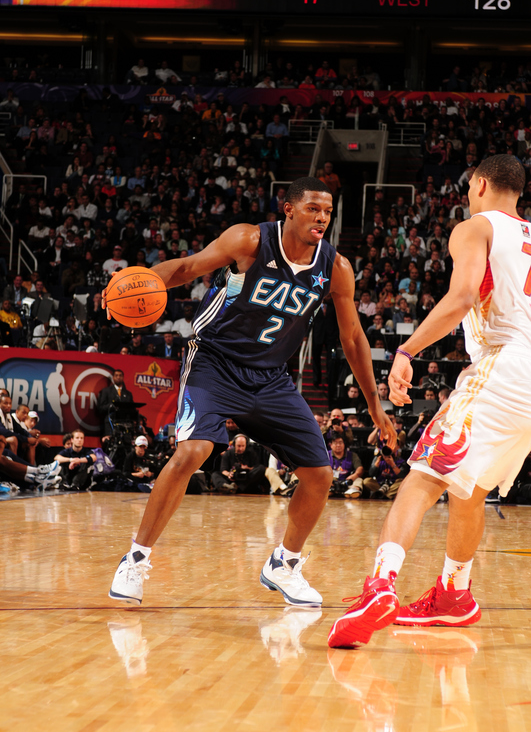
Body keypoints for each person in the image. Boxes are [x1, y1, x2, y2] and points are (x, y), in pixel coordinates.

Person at [106, 176, 395, 607]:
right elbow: (187, 268)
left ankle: (284, 563)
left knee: (319, 474)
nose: (322, 217)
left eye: (328, 212)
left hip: (270, 377)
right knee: (192, 452)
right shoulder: (248, 240)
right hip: (214, 363)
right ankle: (136, 558)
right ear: (290, 209)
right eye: (313, 208)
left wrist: (375, 404)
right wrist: (136, 285)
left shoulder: (336, 268)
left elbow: (353, 338)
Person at [329, 154, 531, 648]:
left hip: (506, 365)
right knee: (471, 487)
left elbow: (462, 297)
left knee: (423, 475)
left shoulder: (474, 227)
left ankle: (379, 586)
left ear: (480, 185)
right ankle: (454, 595)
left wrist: (407, 350)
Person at [97, 369, 134, 436]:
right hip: (110, 422)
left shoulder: (128, 394)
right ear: (113, 377)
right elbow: (101, 408)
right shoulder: (106, 391)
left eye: (120, 375)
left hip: (124, 424)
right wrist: (112, 406)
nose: (118, 377)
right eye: (116, 375)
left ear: (123, 377)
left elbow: (132, 409)